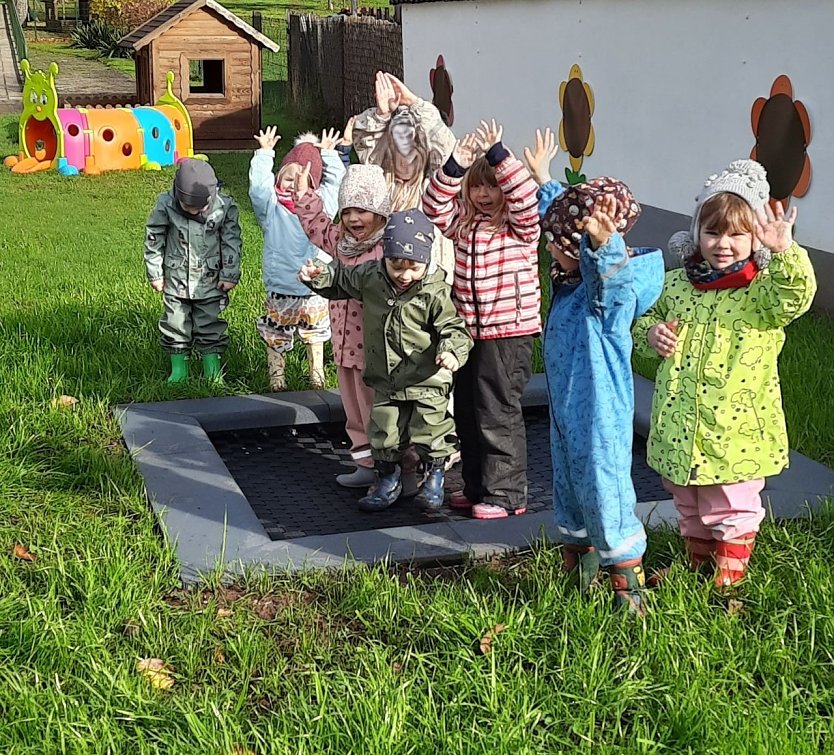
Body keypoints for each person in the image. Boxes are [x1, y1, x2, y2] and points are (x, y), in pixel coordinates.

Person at [633, 159, 817, 589]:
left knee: (730, 504)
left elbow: (797, 295)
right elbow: (645, 320)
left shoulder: (762, 292)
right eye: (713, 232)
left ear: (755, 238)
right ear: (697, 232)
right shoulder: (678, 284)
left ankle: (728, 581)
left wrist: (786, 251)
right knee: (688, 499)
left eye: (738, 234)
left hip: (735, 431)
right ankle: (697, 564)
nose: (723, 244)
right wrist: (653, 333)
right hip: (680, 422)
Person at [528, 126, 664, 613]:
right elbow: (563, 217)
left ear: (586, 249)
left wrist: (603, 246)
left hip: (600, 418)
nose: (549, 250)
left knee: (606, 491)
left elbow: (610, 278)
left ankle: (629, 588)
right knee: (568, 485)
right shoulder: (569, 284)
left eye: (557, 245)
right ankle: (579, 567)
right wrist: (545, 178)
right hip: (567, 413)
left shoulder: (604, 299)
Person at [299, 209, 472, 511]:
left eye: (413, 267)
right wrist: (320, 276)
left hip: (426, 379)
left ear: (426, 261)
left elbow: (453, 326)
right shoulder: (372, 277)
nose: (404, 275)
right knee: (384, 433)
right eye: (397, 266)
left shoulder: (433, 291)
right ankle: (387, 480)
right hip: (387, 379)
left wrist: (452, 351)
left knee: (432, 430)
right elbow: (341, 280)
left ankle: (434, 478)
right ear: (386, 257)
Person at [422, 119, 541, 520]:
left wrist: (498, 156)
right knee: (469, 411)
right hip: (470, 332)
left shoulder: (520, 227)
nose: (484, 194)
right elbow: (432, 206)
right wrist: (457, 163)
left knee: (498, 413)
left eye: (492, 186)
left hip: (508, 333)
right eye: (476, 186)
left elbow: (526, 198)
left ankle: (507, 494)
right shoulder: (465, 224)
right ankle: (476, 487)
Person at [293, 161, 392, 489]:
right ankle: (364, 462)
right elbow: (317, 226)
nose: (353, 219)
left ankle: (392, 467)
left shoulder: (385, 247)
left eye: (362, 211)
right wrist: (306, 196)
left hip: (377, 349)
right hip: (344, 344)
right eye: (347, 211)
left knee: (378, 409)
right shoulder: (341, 242)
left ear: (379, 212)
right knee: (352, 408)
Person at [249, 126, 345, 391]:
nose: (293, 185)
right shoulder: (272, 207)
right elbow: (258, 188)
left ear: (314, 184)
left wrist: (328, 155)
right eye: (288, 178)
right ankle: (277, 377)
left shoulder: (321, 205)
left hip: (315, 286)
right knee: (276, 332)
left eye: (302, 179)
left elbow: (337, 184)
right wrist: (264, 154)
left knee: (315, 333)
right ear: (278, 179)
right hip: (281, 286)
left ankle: (316, 374)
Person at [144, 158, 241, 383]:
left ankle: (212, 370)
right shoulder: (165, 204)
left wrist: (230, 273)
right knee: (175, 323)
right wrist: (155, 273)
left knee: (210, 322)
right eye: (188, 207)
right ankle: (179, 371)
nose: (194, 211)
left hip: (210, 279)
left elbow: (231, 240)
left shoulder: (224, 207)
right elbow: (153, 237)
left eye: (200, 207)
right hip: (175, 279)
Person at [353, 71, 457, 279]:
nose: (406, 159)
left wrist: (415, 103)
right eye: (400, 151)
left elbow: (445, 146)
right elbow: (366, 143)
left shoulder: (433, 184)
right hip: (389, 277)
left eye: (413, 151)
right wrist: (381, 115)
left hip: (431, 277)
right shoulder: (381, 180)